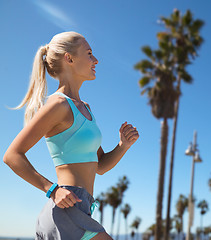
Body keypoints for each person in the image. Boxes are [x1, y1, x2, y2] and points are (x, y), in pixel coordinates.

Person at [3, 31, 139, 240]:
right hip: (65, 211)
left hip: (82, 208)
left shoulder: (86, 108)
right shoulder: (58, 105)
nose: (96, 60)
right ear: (69, 58)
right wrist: (52, 190)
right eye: (90, 53)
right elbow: (12, 155)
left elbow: (99, 166)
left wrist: (122, 145)